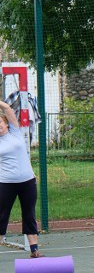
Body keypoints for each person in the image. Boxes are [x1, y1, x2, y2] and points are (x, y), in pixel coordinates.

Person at [0, 100, 43, 257]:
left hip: (27, 182)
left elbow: (6, 107)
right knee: (2, 214)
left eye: (0, 122)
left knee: (29, 214)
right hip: (6, 183)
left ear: (6, 123)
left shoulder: (16, 132)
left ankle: (34, 250)